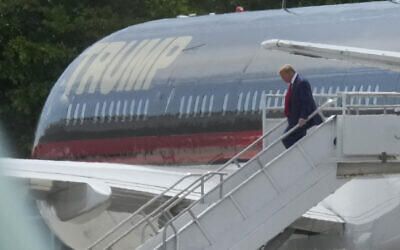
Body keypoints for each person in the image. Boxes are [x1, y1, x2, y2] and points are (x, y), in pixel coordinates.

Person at [278, 64, 322, 148]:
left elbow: (306, 101)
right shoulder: (294, 83)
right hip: (295, 119)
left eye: (283, 77)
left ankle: (297, 157)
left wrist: (303, 117)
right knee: (293, 139)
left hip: (301, 120)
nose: (283, 79)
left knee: (287, 138)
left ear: (289, 73)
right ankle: (298, 155)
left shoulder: (301, 82)